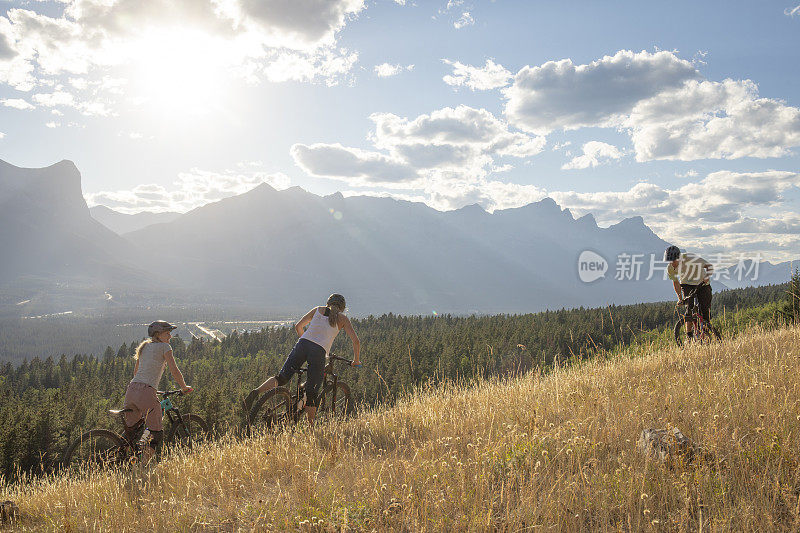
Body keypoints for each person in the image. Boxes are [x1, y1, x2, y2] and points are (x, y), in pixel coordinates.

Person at [244, 294, 361, 424]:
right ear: (342, 308)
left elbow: (298, 326)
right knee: (311, 393)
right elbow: (356, 341)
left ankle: (256, 392)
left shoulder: (317, 309)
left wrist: (306, 342)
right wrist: (356, 361)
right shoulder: (343, 319)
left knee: (281, 378)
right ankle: (310, 430)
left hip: (303, 344)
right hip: (319, 352)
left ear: (328, 303)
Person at [123, 320, 192, 463]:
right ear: (158, 334)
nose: (170, 336)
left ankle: (121, 456)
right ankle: (143, 468)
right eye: (168, 333)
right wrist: (184, 387)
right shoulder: (164, 347)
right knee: (156, 433)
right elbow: (174, 370)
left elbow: (136, 372)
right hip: (146, 392)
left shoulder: (144, 346)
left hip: (132, 390)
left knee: (132, 430)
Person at [664, 245, 713, 340]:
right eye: (669, 261)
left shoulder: (691, 258)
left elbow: (709, 267)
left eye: (674, 261)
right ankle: (689, 335)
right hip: (686, 284)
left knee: (704, 309)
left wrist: (706, 278)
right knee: (689, 308)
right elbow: (676, 282)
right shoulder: (670, 267)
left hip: (702, 284)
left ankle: (705, 334)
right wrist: (680, 298)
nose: (672, 263)